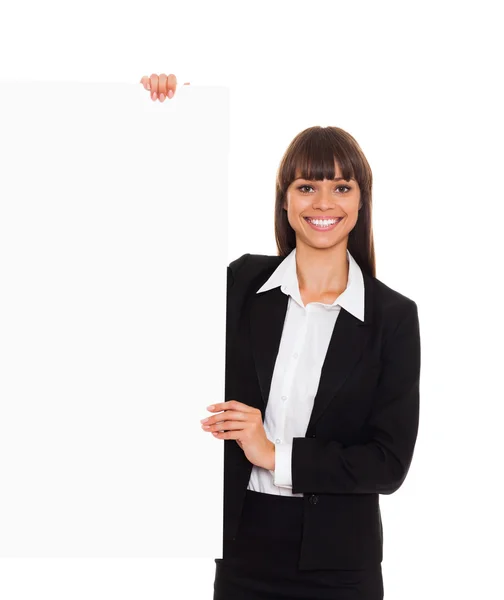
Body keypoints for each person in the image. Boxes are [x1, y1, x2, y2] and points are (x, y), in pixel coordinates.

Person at [140, 74, 422, 600]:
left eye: (342, 186)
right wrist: (164, 121)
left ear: (361, 202)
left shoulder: (393, 317)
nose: (324, 201)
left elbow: (388, 462)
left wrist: (273, 453)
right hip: (243, 549)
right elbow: (150, 266)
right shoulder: (239, 284)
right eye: (306, 185)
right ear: (286, 201)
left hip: (341, 565)